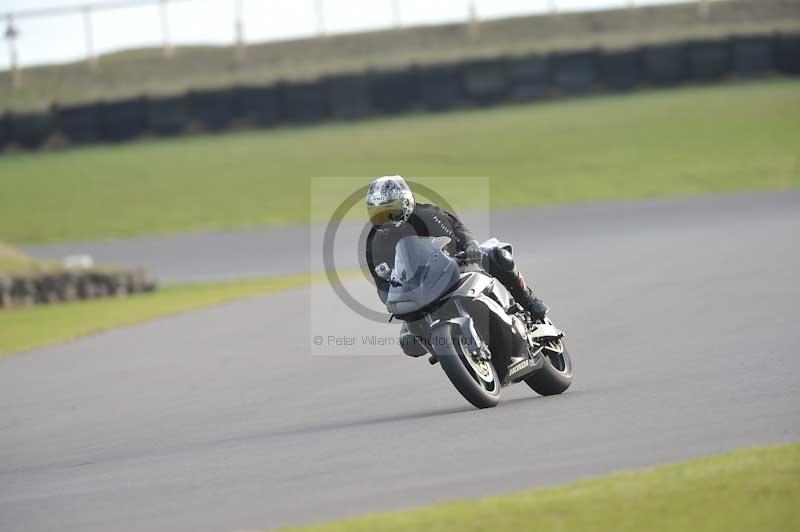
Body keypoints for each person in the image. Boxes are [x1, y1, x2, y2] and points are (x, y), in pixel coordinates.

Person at [364, 176, 548, 356]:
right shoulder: (375, 243)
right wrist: (391, 300)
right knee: (408, 342)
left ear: (406, 204)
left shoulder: (428, 215)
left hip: (455, 266)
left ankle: (529, 302)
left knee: (497, 256)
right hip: (419, 290)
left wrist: (471, 246)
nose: (386, 219)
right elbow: (382, 282)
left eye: (392, 211)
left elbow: (457, 230)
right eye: (379, 214)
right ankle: (450, 351)